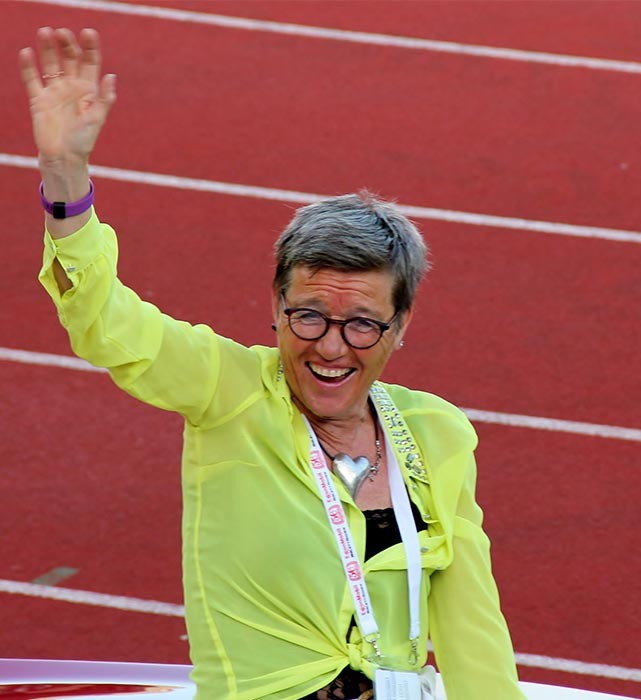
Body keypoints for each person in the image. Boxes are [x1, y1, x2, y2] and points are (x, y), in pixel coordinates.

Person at [19, 27, 526, 700]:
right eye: (308, 315)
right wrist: (65, 176)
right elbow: (105, 321)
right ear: (276, 306)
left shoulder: (438, 434)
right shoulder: (226, 391)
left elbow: (472, 628)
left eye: (362, 324)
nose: (331, 347)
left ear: (401, 325)